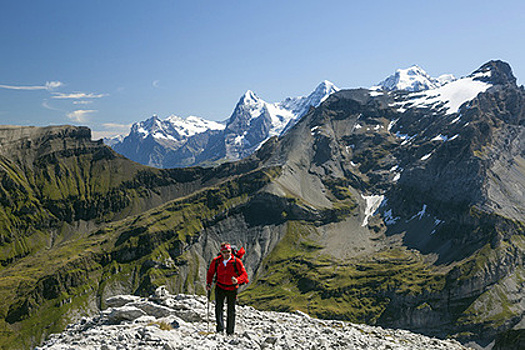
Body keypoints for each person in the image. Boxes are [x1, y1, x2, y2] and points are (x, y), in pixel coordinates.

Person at [206, 242, 249, 335]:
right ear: (221, 252)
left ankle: (230, 332)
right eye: (224, 252)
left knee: (231, 310)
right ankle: (220, 329)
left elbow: (244, 275)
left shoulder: (236, 261)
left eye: (228, 251)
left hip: (232, 288)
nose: (226, 254)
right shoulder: (216, 261)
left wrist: (237, 280)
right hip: (220, 286)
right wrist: (208, 283)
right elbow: (210, 272)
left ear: (231, 251)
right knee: (218, 307)